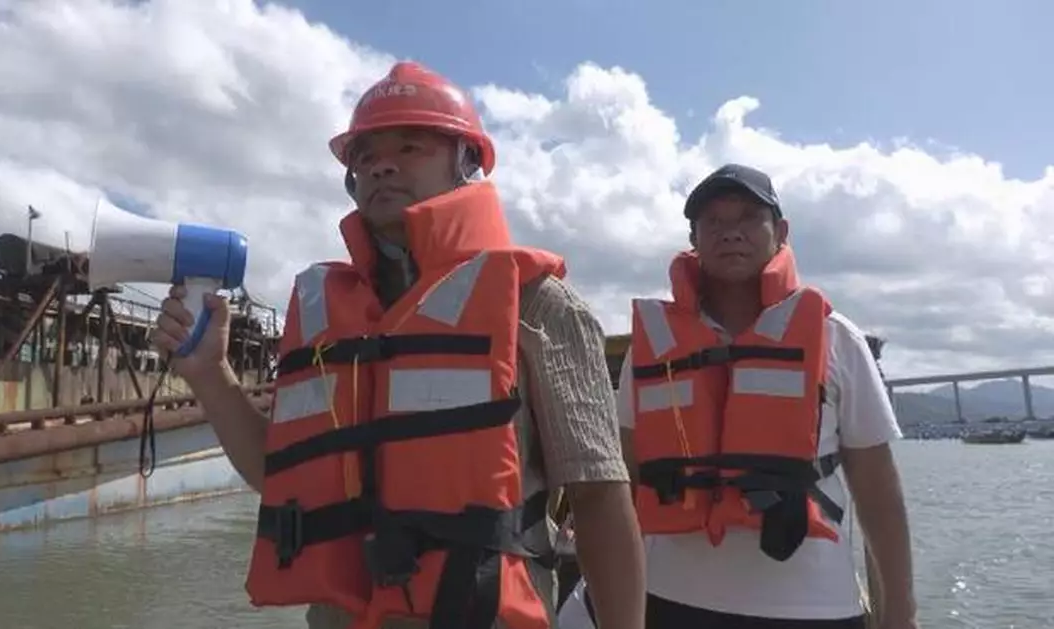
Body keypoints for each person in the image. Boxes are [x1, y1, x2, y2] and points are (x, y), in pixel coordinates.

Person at [153, 60, 645, 629]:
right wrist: (211, 374)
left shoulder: (539, 306)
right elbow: (278, 474)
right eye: (364, 156)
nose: (380, 165)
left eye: (411, 147)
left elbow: (601, 499)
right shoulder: (325, 316)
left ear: (467, 164)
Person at [617, 163, 918, 629]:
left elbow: (878, 490)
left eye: (748, 219)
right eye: (713, 222)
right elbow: (627, 474)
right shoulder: (651, 346)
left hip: (813, 608)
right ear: (694, 240)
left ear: (780, 231)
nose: (730, 233)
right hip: (668, 598)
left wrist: (899, 614)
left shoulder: (835, 339)